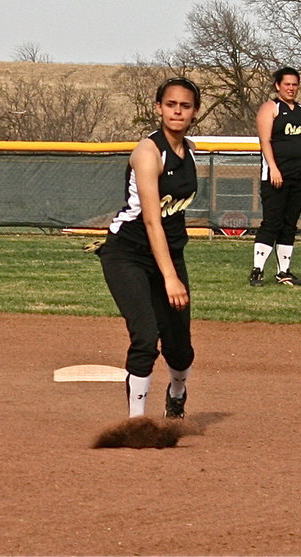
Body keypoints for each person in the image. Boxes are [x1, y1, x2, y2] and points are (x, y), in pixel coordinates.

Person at [96, 77, 200, 420]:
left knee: (180, 350)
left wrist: (171, 268)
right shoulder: (147, 152)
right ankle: (136, 421)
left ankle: (177, 392)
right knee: (145, 335)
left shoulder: (191, 153)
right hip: (128, 252)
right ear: (158, 108)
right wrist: (170, 278)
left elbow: (174, 218)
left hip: (169, 254)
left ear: (194, 112)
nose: (177, 111)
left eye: (185, 106)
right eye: (171, 104)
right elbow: (153, 221)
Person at [249, 66, 301, 287]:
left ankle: (284, 272)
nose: (291, 88)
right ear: (277, 86)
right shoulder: (270, 108)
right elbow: (265, 142)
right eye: (287, 84)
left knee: (290, 224)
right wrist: (273, 168)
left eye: (294, 84)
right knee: (272, 222)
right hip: (276, 175)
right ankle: (257, 271)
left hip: (300, 174)